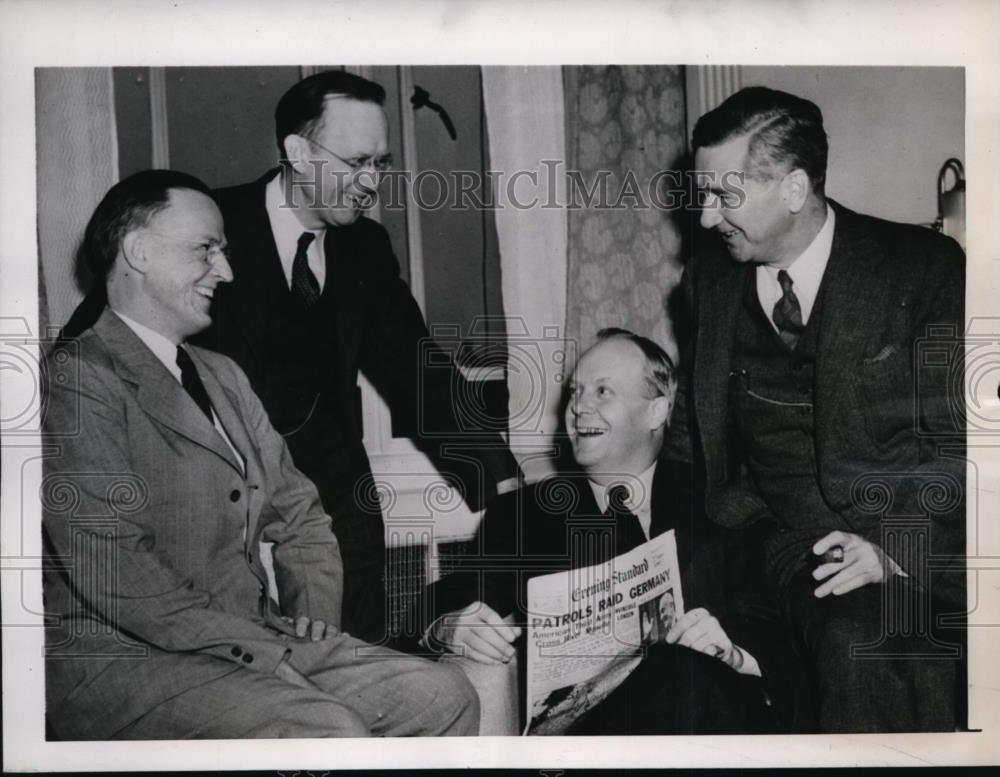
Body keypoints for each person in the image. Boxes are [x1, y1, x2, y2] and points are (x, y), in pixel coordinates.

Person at [63, 70, 523, 645]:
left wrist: (500, 481)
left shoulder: (365, 248)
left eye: (379, 164)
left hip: (334, 490)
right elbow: (104, 329)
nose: (371, 182)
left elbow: (420, 372)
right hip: (213, 480)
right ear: (298, 152)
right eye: (356, 162)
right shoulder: (210, 226)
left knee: (354, 655)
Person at [42, 170, 478, 740]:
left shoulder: (222, 375)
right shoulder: (74, 381)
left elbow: (301, 513)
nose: (226, 271)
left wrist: (315, 619)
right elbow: (119, 574)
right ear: (138, 251)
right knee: (326, 729)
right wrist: (265, 655)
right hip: (125, 660)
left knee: (442, 695)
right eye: (206, 250)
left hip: (244, 642)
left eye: (223, 251)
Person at [686, 86, 966, 732]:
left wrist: (895, 549)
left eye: (724, 197)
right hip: (772, 540)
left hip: (896, 539)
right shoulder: (709, 284)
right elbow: (689, 441)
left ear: (792, 189)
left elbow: (967, 446)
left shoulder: (922, 270)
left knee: (867, 641)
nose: (704, 219)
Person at [422, 329, 807, 734]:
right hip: (589, 738)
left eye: (602, 391)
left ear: (657, 412)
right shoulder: (524, 514)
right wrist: (449, 626)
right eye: (575, 392)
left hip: (709, 716)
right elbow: (449, 596)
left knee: (685, 669)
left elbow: (775, 622)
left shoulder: (719, 502)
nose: (579, 407)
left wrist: (733, 653)